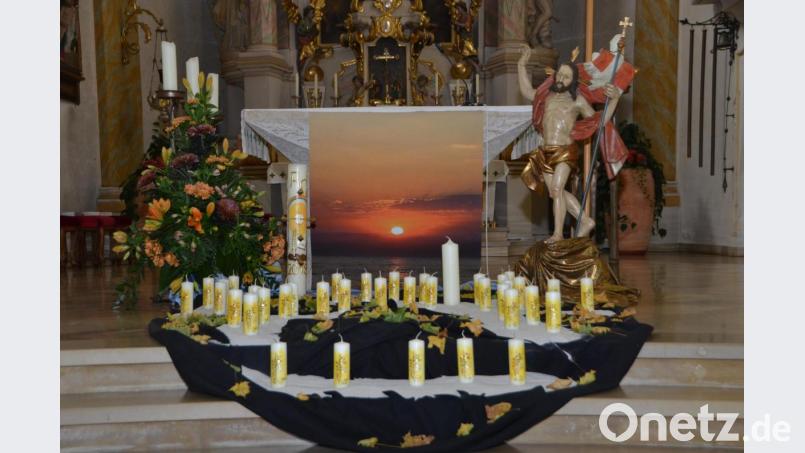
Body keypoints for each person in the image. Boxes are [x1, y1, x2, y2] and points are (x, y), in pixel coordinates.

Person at [517, 35, 635, 243]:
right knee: (556, 194)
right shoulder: (546, 97)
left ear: (573, 81)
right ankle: (586, 221)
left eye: (566, 77)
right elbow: (527, 91)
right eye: (559, 75)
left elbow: (601, 120)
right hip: (546, 150)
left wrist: (615, 98)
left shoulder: (578, 100)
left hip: (565, 150)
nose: (561, 79)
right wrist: (521, 64)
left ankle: (557, 235)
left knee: (556, 188)